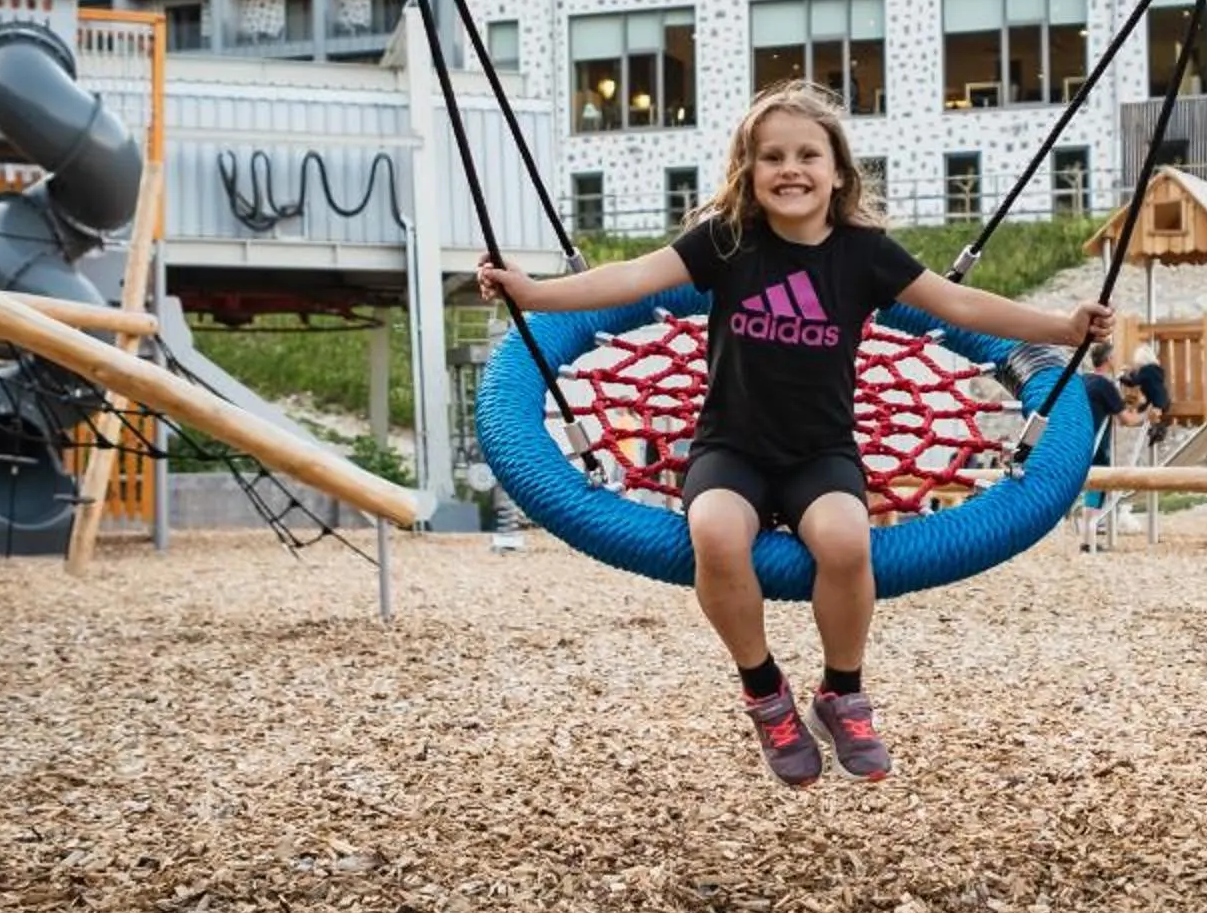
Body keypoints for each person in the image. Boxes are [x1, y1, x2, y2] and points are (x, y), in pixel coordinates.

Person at [479, 81, 1110, 788]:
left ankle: (842, 688)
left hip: (821, 452)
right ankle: (765, 691)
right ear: (747, 172)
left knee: (845, 541)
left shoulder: (865, 255)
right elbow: (629, 278)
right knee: (715, 534)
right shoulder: (726, 243)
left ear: (837, 170)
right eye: (771, 155)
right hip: (731, 449)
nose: (791, 168)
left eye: (808, 154)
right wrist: (532, 294)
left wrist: (1063, 328)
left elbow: (957, 302)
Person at [1073, 341, 1127, 551]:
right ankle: (1089, 539)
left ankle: (1087, 539)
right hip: (1097, 445)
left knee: (1090, 489)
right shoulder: (1106, 386)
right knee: (1097, 489)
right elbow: (1126, 420)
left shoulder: (1084, 380)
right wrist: (1146, 413)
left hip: (1081, 441)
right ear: (1109, 360)